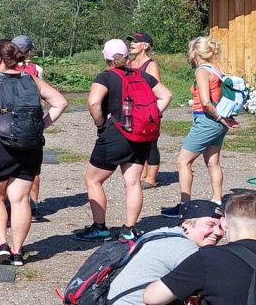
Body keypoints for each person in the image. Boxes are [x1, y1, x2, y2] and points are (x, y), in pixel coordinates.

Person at [0, 39, 68, 265]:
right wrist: (41, 125)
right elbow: (60, 102)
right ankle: (18, 251)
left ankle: (2, 244)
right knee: (20, 200)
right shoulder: (33, 80)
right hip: (30, 146)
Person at [75, 39, 174, 243]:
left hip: (116, 134)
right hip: (141, 135)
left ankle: (100, 227)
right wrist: (151, 116)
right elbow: (166, 95)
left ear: (106, 57)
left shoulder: (105, 77)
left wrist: (101, 123)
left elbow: (93, 102)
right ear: (127, 56)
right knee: (133, 182)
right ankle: (129, 229)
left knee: (93, 179)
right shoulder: (143, 75)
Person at [161, 36, 238, 213]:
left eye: (190, 49)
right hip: (217, 123)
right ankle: (217, 202)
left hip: (207, 120)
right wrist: (223, 120)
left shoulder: (201, 71)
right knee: (213, 163)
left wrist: (220, 118)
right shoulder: (216, 69)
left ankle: (185, 206)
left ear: (195, 51)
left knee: (182, 162)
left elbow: (206, 102)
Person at [12, 34, 46, 215]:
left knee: (10, 165)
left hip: (11, 120)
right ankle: (33, 204)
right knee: (33, 168)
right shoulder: (37, 69)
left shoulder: (4, 68)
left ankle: (12, 203)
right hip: (32, 121)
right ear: (28, 52)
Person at [128, 32, 163, 189]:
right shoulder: (130, 63)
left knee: (151, 142)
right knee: (137, 141)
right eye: (131, 41)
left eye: (135, 41)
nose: (131, 44)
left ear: (145, 46)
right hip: (133, 109)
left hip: (148, 109)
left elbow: (157, 88)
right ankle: (141, 174)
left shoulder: (150, 65)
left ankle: (151, 178)